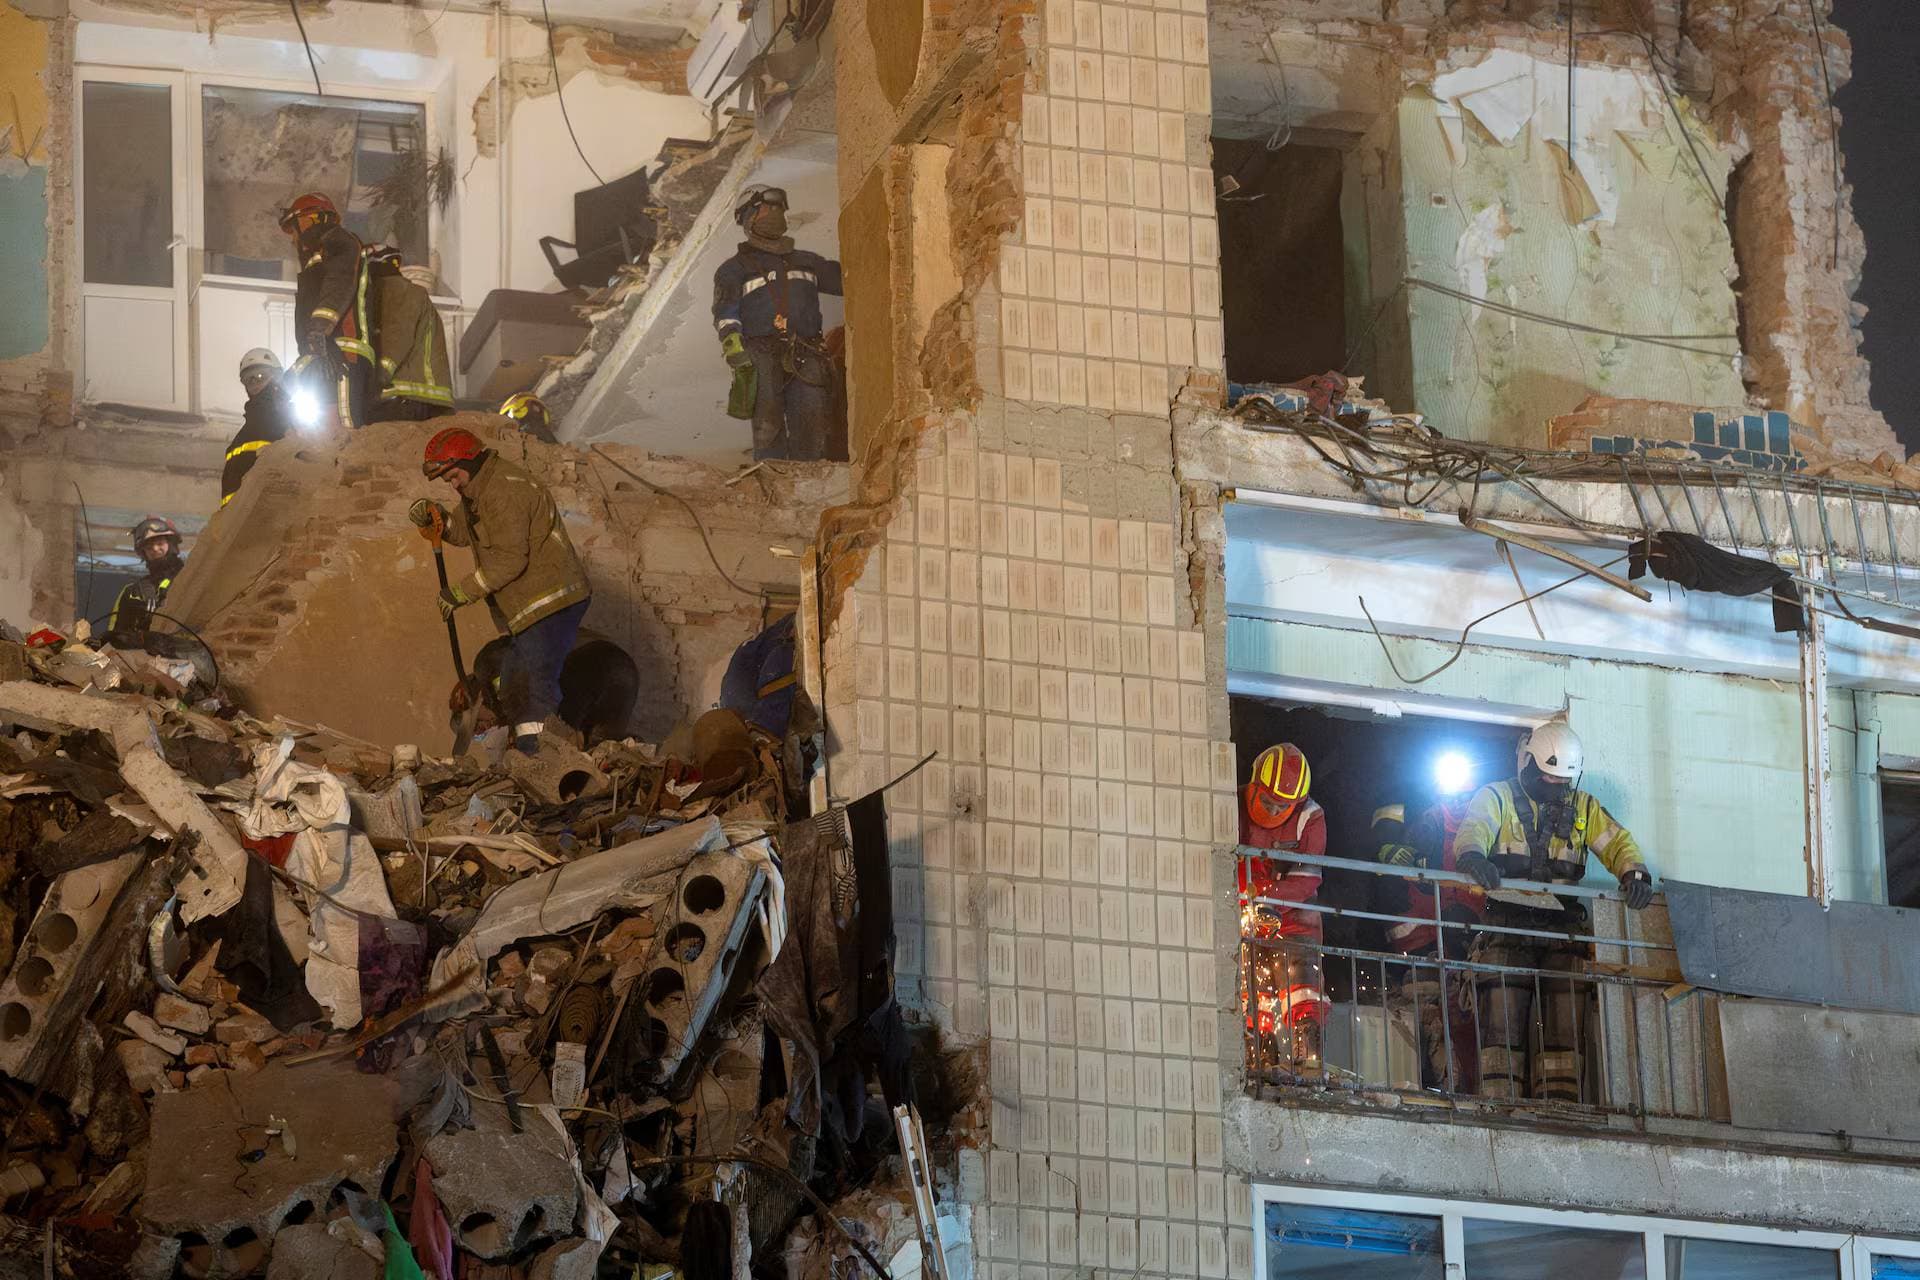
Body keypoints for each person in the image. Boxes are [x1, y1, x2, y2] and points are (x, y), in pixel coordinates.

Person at [1451, 720, 1654, 1102]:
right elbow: (1474, 828)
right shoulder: (1496, 797)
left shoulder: (1584, 806)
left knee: (1564, 1034)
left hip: (1562, 934)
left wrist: (1635, 874)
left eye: (1563, 783)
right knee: (1501, 1030)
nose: (1556, 789)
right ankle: (1501, 1108)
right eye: (1548, 780)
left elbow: (1617, 843)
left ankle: (1559, 1109)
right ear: (1528, 765)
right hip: (1506, 927)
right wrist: (1473, 856)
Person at [408, 426, 591, 754]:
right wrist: (439, 519)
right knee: (516, 681)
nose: (453, 485)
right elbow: (465, 533)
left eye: (452, 477)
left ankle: (536, 760)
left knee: (533, 686)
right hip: (530, 608)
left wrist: (461, 592)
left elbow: (509, 559)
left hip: (549, 601)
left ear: (467, 461)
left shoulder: (503, 490)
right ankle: (534, 754)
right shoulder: (479, 491)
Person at [280, 192, 452, 428]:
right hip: (410, 396)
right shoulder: (396, 292)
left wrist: (377, 377)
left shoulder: (396, 289)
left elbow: (397, 334)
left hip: (410, 395)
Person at [711, 185, 844, 461]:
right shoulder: (733, 270)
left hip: (806, 353)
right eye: (766, 209)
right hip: (760, 355)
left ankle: (810, 484)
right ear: (748, 218)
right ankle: (775, 480)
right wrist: (732, 343)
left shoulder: (807, 262)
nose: (775, 213)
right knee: (767, 426)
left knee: (812, 421)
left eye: (778, 209)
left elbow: (853, 277)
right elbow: (725, 312)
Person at [1372, 798, 1483, 1090]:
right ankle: (1450, 1089)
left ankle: (1457, 1088)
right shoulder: (1424, 821)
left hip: (1456, 945)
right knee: (1433, 1023)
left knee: (1455, 1021)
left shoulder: (1466, 819)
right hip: (1422, 951)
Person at [1237, 743, 1330, 1071]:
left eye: (1282, 807)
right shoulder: (1231, 804)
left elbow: (1306, 877)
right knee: (1251, 986)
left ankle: (1310, 1059)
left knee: (1303, 981)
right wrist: (1249, 899)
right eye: (1267, 803)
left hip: (1294, 912)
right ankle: (1259, 1058)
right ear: (1254, 786)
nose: (1275, 812)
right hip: (1244, 908)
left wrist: (1271, 899)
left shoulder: (1310, 818)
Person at [455, 629, 637, 747]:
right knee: (602, 748)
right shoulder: (509, 700)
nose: (487, 727)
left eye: (478, 724)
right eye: (480, 733)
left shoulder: (488, 667)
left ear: (478, 699)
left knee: (573, 745)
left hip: (594, 662)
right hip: (618, 672)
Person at [222, 348, 295, 508]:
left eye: (261, 376)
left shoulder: (291, 418)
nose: (254, 383)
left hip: (277, 517)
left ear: (277, 377)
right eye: (249, 380)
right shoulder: (241, 437)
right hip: (241, 525)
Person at [107, 516, 186, 645]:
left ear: (171, 545)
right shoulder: (133, 591)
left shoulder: (190, 579)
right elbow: (115, 636)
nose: (155, 549)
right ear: (144, 553)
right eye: (149, 547)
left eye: (160, 543)